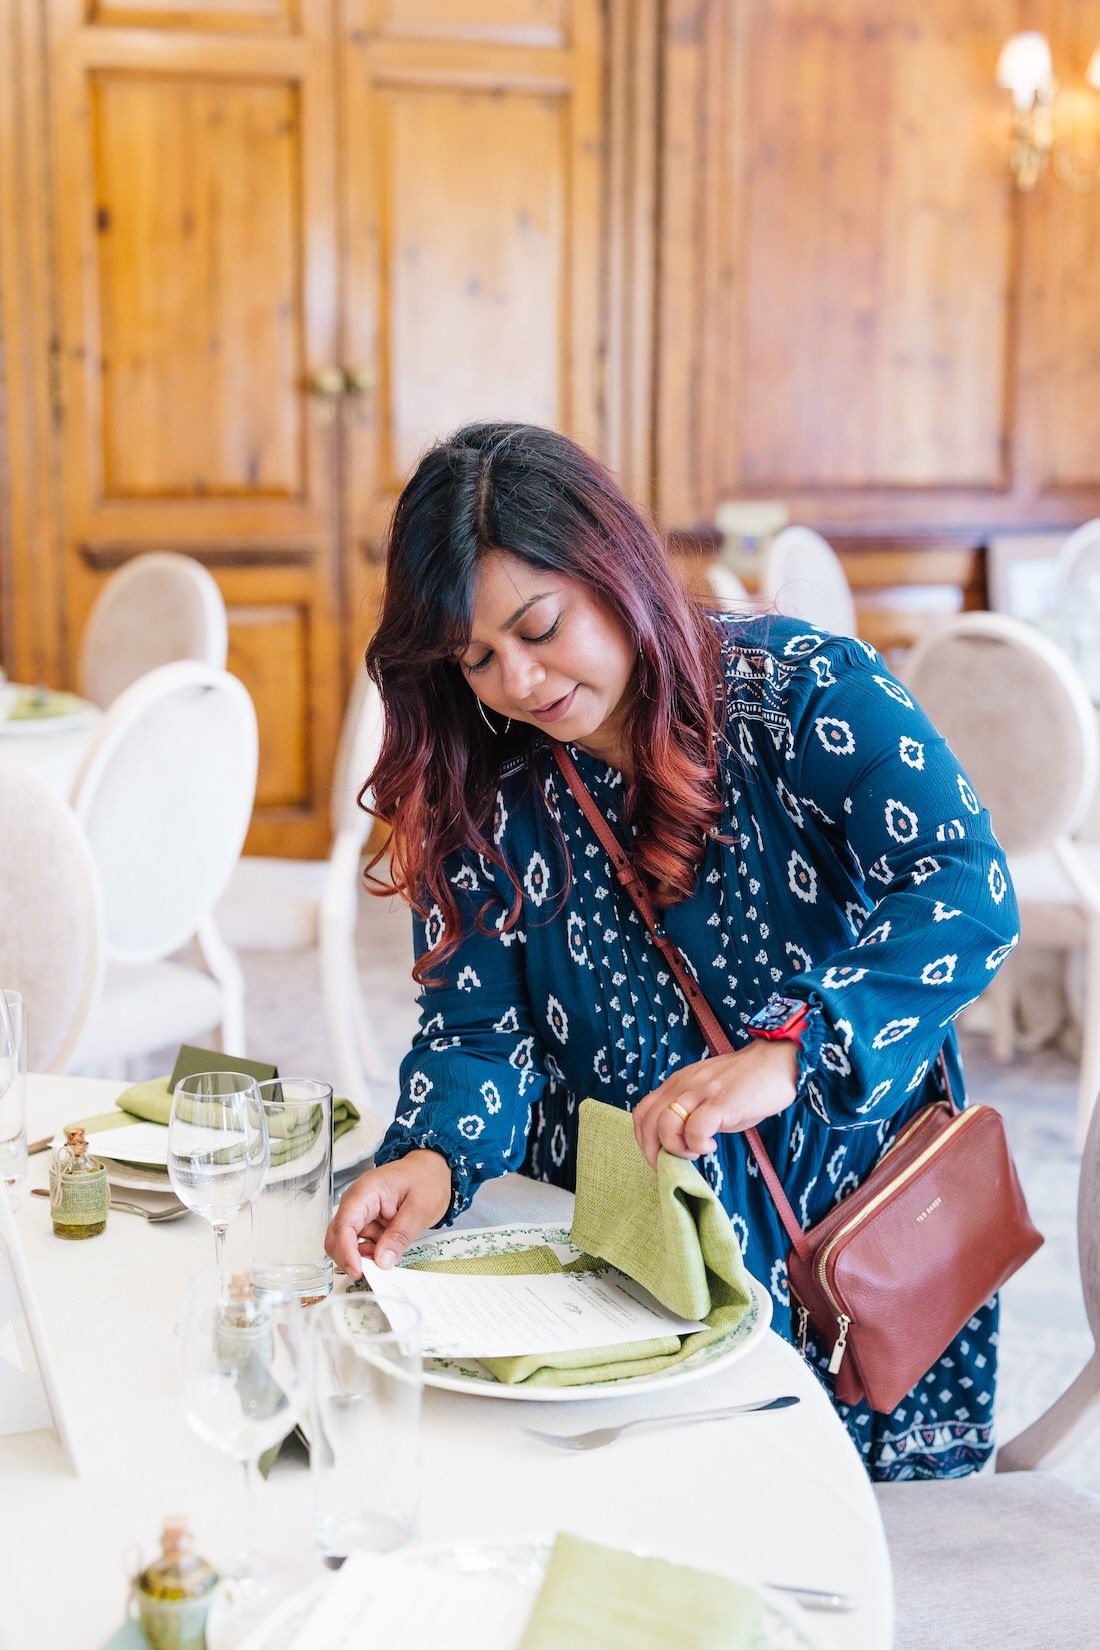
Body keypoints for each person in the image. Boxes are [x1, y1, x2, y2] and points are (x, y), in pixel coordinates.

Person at [326, 422, 1019, 1481]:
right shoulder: (484, 787)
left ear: (609, 567)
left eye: (539, 624)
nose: (518, 678)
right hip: (629, 1230)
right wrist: (432, 1154)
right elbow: (477, 1028)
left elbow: (965, 887)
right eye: (476, 657)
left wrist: (790, 1051)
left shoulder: (802, 689)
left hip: (829, 1211)